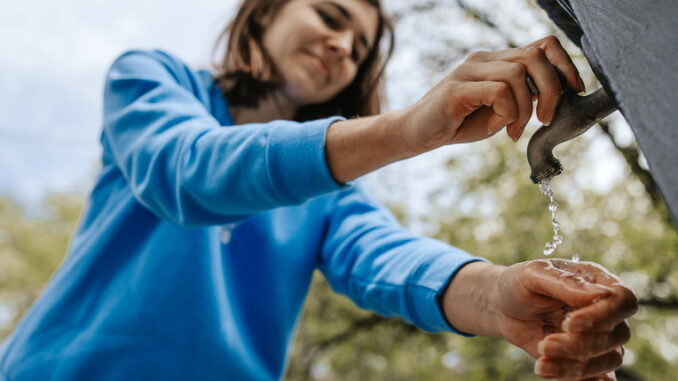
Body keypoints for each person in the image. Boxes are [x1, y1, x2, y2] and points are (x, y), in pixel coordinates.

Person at [0, 0, 637, 380]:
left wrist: (499, 296)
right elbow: (186, 172)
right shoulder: (154, 79)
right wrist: (410, 130)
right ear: (267, 11)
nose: (341, 45)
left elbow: (388, 258)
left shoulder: (330, 192)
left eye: (359, 48)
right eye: (329, 17)